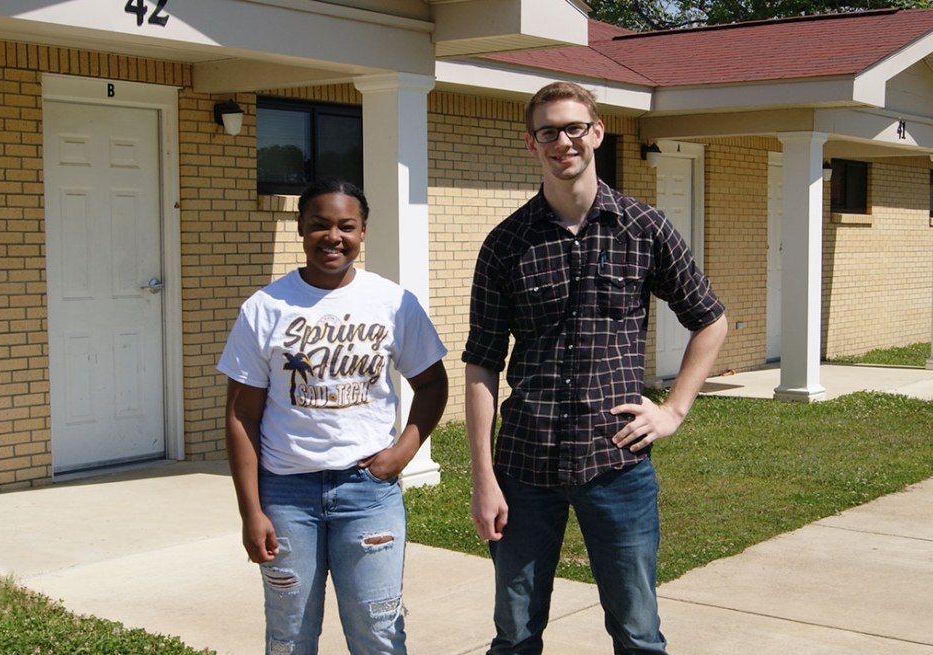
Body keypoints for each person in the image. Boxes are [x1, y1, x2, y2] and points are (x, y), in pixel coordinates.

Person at [463, 82, 728, 654]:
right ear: (532, 144)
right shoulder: (505, 244)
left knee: (637, 632)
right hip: (524, 467)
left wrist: (675, 408)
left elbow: (710, 319)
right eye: (548, 132)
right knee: (513, 634)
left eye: (574, 128)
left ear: (597, 132)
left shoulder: (644, 227)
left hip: (617, 463)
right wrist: (483, 479)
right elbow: (482, 365)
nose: (563, 142)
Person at [219, 178, 449, 655]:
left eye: (346, 226)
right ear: (300, 229)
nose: (333, 237)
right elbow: (242, 415)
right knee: (289, 635)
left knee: (379, 633)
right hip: (286, 494)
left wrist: (400, 455)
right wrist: (251, 510)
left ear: (363, 232)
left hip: (367, 493)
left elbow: (432, 383)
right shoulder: (264, 308)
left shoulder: (392, 302)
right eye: (319, 225)